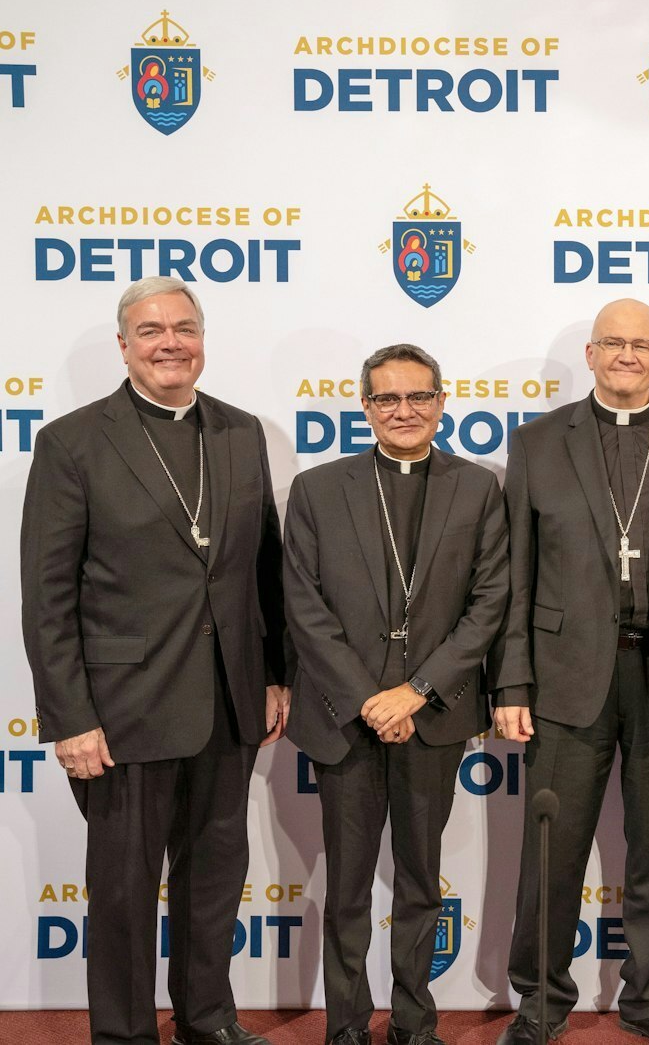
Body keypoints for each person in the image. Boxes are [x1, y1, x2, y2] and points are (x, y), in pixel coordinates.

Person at [20, 276, 292, 1045]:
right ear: (123, 345)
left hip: (229, 702)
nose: (170, 341)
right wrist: (70, 717)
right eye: (150, 329)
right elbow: (47, 597)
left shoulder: (241, 432)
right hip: (123, 713)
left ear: (203, 339)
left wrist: (275, 672)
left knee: (212, 884)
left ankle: (208, 1018)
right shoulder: (73, 441)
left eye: (184, 327)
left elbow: (263, 567)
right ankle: (125, 1034)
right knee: (124, 894)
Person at [490, 299, 649, 1045]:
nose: (628, 355)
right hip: (565, 677)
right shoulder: (538, 443)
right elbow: (515, 572)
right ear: (592, 354)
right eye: (614, 343)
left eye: (642, 345)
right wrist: (511, 682)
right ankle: (539, 1003)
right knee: (552, 850)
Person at [284, 344, 510, 1045]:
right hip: (343, 721)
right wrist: (367, 699)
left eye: (418, 397)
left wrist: (413, 692)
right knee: (347, 888)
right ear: (365, 407)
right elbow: (304, 606)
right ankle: (346, 1025)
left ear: (443, 402)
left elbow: (488, 601)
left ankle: (415, 1021)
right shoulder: (319, 489)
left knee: (421, 881)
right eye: (387, 398)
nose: (404, 410)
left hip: (432, 717)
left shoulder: (477, 488)